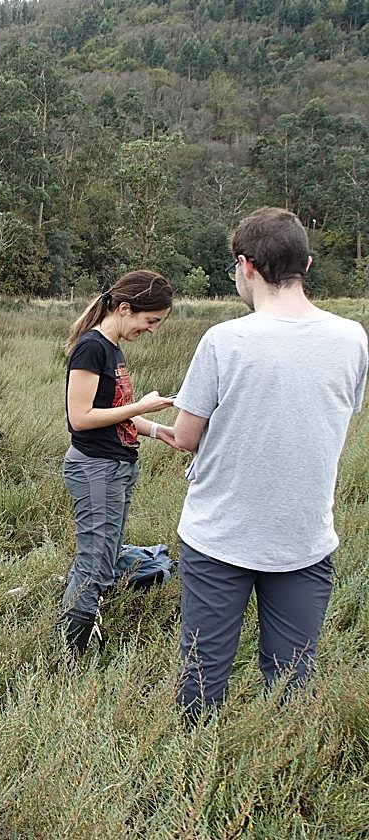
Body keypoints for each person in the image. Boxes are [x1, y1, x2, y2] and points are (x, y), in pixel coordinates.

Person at [170, 208, 367, 719]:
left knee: (202, 671)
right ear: (306, 262)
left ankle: (190, 771)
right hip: (303, 538)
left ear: (246, 266)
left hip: (218, 537)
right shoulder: (352, 338)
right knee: (292, 679)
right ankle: (278, 776)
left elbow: (187, 437)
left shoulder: (223, 340)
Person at [60, 269, 178, 652]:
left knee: (105, 556)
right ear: (125, 308)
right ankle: (72, 653)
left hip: (117, 466)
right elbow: (80, 418)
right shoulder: (91, 348)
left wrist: (160, 430)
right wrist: (142, 404)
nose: (153, 330)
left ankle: (83, 629)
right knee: (95, 565)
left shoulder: (113, 349)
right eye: (151, 321)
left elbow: (116, 410)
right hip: (95, 468)